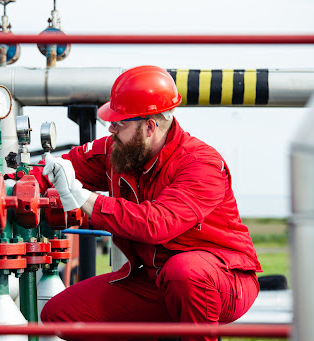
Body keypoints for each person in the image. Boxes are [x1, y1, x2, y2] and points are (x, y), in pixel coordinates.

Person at [40, 65, 261, 341]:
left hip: (222, 279)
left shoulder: (200, 164)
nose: (111, 128)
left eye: (120, 122)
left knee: (184, 274)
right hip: (155, 278)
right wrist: (16, 181)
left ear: (149, 126)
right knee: (60, 315)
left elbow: (155, 223)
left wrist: (84, 200)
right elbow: (60, 169)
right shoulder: (120, 150)